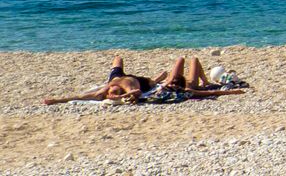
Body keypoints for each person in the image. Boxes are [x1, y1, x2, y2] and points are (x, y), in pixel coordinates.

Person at [41, 56, 247, 105]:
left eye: (109, 94)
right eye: (110, 94)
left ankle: (203, 79)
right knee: (188, 59)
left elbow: (136, 93)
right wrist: (57, 100)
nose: (108, 94)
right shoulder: (106, 90)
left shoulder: (122, 86)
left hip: (134, 80)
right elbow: (78, 96)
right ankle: (202, 79)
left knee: (118, 60)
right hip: (148, 82)